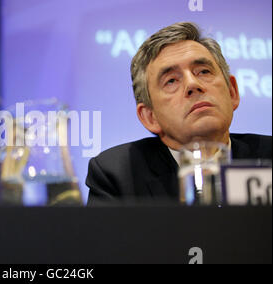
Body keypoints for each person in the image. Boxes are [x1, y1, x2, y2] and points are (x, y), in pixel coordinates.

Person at [86, 22, 272, 205]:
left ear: (232, 92)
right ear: (150, 116)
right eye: (171, 81)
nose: (192, 85)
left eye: (203, 71)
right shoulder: (118, 174)